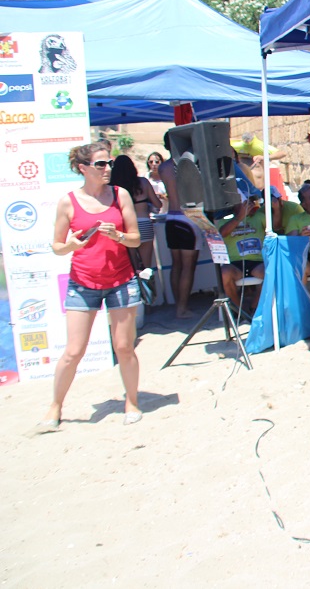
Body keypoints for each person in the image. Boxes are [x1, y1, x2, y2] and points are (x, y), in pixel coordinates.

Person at [42, 143, 143, 429]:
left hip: (121, 280)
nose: (107, 168)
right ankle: (55, 406)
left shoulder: (120, 195)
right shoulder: (68, 202)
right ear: (83, 168)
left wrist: (119, 236)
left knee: (124, 347)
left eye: (109, 163)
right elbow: (57, 246)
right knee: (74, 351)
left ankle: (132, 402)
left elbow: (136, 238)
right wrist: (71, 245)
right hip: (83, 282)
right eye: (101, 164)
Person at [158, 136, 199, 319]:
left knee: (176, 264)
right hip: (187, 217)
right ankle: (182, 308)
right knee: (188, 266)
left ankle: (178, 305)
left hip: (171, 217)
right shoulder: (186, 165)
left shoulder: (163, 168)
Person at [109, 155, 161, 270]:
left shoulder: (114, 188)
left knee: (132, 266)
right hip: (144, 224)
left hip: (125, 228)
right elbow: (158, 204)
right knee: (147, 267)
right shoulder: (143, 182)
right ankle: (149, 281)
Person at [219, 194, 266, 311]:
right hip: (235, 263)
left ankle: (254, 307)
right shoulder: (225, 220)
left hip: (257, 262)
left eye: (250, 202)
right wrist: (240, 217)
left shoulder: (260, 217)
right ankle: (239, 310)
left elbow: (275, 226)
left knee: (272, 272)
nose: (249, 205)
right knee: (224, 273)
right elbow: (222, 233)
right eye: (245, 203)